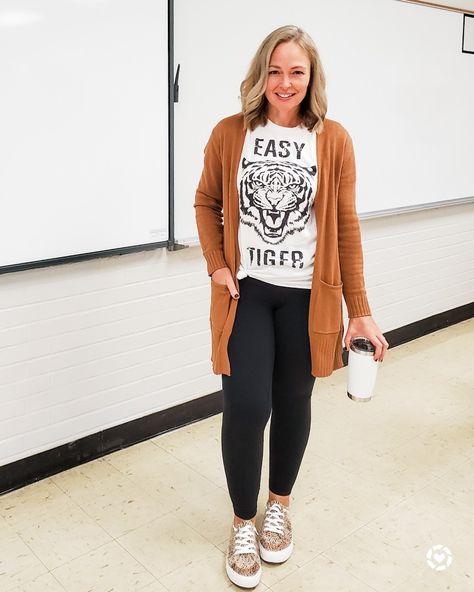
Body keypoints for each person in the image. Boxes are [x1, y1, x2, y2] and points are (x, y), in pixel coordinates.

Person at [194, 24, 389, 588]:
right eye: (275, 70)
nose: (284, 82)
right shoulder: (231, 133)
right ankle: (243, 522)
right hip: (247, 294)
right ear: (261, 74)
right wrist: (217, 263)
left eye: (296, 72)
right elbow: (207, 202)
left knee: (294, 401)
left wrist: (362, 309)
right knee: (248, 406)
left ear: (311, 78)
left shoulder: (334, 140)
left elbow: (346, 229)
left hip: (309, 298)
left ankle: (278, 504)